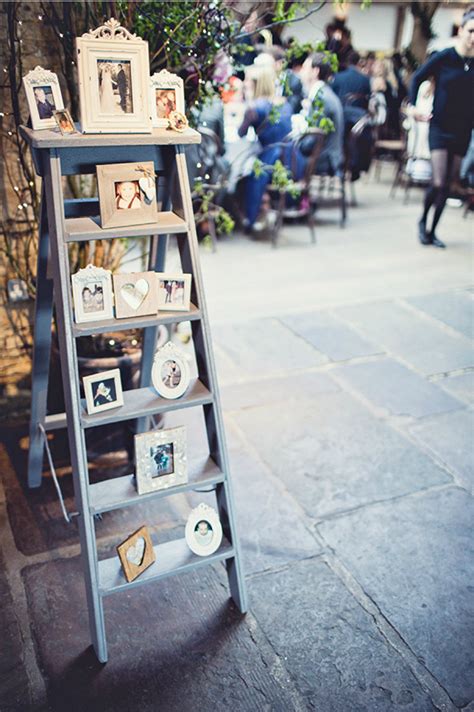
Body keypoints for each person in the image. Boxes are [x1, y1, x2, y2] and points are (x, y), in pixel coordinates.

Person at [409, 6, 474, 248]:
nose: (473, 36)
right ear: (461, 30)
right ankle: (422, 220)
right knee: (437, 181)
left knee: (448, 185)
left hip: (463, 129)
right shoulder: (445, 57)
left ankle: (432, 230)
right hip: (440, 126)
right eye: (471, 30)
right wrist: (413, 105)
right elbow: (417, 77)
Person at [237, 66, 294, 229]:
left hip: (271, 160)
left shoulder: (255, 108)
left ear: (255, 84)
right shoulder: (284, 104)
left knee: (245, 172)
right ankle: (262, 210)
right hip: (290, 159)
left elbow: (240, 133)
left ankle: (249, 216)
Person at [295, 52, 344, 177]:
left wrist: (294, 143)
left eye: (305, 68)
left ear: (315, 71)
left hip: (325, 158)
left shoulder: (322, 98)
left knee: (281, 155)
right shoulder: (323, 93)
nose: (301, 72)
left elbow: (312, 141)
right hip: (326, 152)